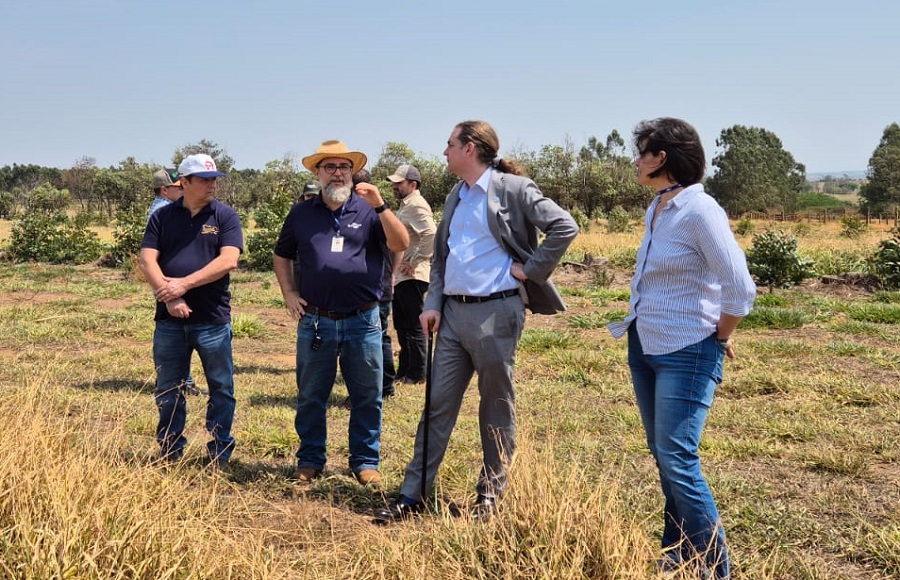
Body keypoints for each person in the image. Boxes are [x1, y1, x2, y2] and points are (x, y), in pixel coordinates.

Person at [374, 120, 578, 522]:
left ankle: (491, 494)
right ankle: (413, 494)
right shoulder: (455, 194)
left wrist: (532, 269)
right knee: (436, 405)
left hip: (496, 312)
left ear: (470, 148)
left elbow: (563, 226)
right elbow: (443, 258)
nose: (444, 151)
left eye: (450, 144)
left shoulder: (513, 189)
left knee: (495, 405)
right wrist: (432, 302)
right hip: (451, 315)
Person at [607, 118, 756, 578]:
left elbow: (740, 288)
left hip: (688, 350)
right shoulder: (659, 206)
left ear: (662, 159)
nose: (636, 160)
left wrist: (721, 336)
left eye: (642, 152)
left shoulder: (700, 210)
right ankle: (679, 550)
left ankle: (716, 567)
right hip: (645, 343)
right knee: (662, 451)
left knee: (677, 455)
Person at [272, 140, 408, 486]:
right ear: (318, 173)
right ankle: (310, 459)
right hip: (315, 320)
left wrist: (381, 207)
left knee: (366, 396)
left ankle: (364, 461)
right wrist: (289, 293)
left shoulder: (369, 209)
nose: (337, 173)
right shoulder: (302, 213)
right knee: (311, 394)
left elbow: (401, 243)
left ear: (353, 172)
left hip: (362, 320)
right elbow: (281, 254)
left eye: (344, 167)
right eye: (329, 167)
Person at [139, 154, 243, 466]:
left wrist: (183, 285)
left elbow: (229, 261)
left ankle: (219, 450)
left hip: (212, 319)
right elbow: (147, 260)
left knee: (221, 388)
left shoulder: (225, 216)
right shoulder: (162, 217)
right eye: (204, 179)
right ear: (183, 183)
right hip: (169, 320)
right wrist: (169, 296)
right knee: (169, 388)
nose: (212, 185)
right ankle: (170, 450)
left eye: (214, 179)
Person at [352, 169, 400, 399]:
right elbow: (397, 248)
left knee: (373, 339)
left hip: (374, 287)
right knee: (381, 336)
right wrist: (394, 273)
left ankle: (382, 388)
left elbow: (400, 243)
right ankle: (385, 386)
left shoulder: (374, 210)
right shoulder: (384, 209)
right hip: (382, 282)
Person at [386, 164, 436, 386]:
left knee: (414, 326)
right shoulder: (406, 205)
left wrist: (415, 261)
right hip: (403, 276)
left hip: (413, 276)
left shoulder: (416, 205)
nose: (395, 186)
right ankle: (405, 370)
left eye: (399, 182)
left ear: (412, 184)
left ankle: (418, 373)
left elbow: (430, 233)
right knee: (403, 325)